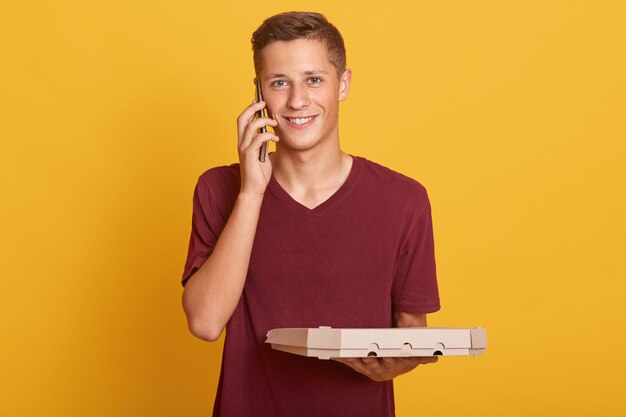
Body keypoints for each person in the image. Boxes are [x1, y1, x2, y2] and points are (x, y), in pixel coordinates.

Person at [181, 11, 440, 417]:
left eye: (314, 79)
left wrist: (392, 364)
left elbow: (413, 333)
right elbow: (205, 323)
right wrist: (252, 191)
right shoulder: (219, 190)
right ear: (258, 93)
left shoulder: (404, 200)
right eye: (279, 82)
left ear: (344, 84)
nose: (297, 100)